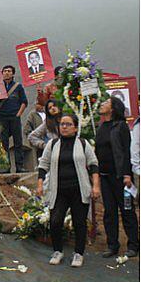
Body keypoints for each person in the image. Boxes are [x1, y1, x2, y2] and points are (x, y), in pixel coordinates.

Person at [37, 113, 100, 267]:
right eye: (62, 124)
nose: (64, 127)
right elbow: (43, 165)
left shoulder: (83, 144)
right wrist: (39, 184)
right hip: (58, 191)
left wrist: (96, 185)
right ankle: (57, 251)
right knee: (55, 220)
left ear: (75, 128)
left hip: (79, 190)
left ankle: (78, 253)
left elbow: (93, 164)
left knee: (79, 222)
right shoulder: (52, 144)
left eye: (68, 124)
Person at [95, 96, 138, 257]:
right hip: (105, 177)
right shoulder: (100, 127)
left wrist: (127, 174)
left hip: (121, 177)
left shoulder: (121, 126)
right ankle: (112, 245)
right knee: (109, 212)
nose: (102, 104)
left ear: (113, 109)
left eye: (106, 102)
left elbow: (126, 151)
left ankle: (133, 245)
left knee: (127, 210)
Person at [0, 65, 30, 172]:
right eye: (4, 71)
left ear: (13, 73)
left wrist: (18, 114)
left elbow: (24, 102)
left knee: (18, 142)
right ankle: (6, 167)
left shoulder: (18, 87)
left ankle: (19, 167)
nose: (6, 73)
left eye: (9, 71)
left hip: (14, 117)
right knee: (4, 143)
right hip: (2, 118)